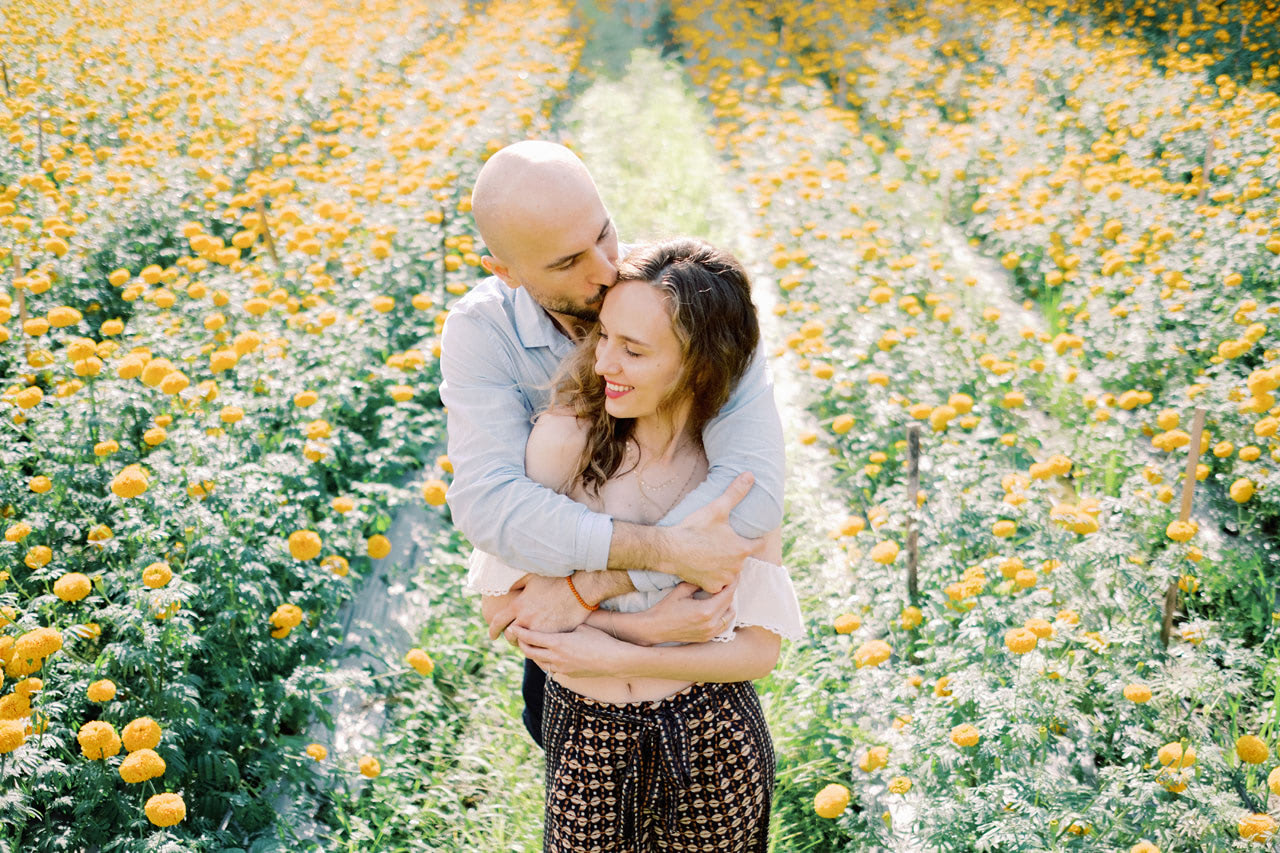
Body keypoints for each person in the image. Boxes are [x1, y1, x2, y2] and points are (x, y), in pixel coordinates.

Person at [439, 141, 786, 746]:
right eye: (568, 262)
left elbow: (750, 496)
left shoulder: (693, 302)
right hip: (571, 663)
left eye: (604, 234)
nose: (604, 271)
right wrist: (666, 555)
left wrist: (591, 588)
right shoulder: (481, 334)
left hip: (691, 649)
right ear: (506, 272)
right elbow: (490, 506)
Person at [468, 238, 803, 852]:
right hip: (587, 738)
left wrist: (617, 651)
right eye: (604, 338)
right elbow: (503, 611)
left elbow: (758, 652)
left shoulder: (730, 479)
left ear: (699, 365)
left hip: (712, 735)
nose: (602, 364)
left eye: (634, 350)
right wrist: (650, 630)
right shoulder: (568, 445)